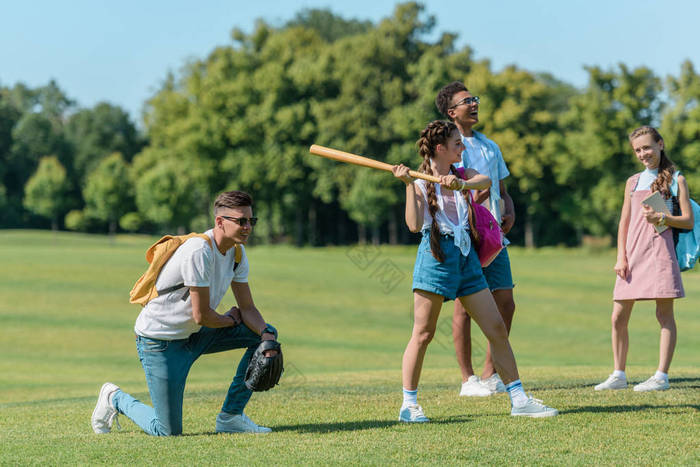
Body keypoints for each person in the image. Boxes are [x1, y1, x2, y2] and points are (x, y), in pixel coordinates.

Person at [392, 119, 557, 422]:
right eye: (457, 144)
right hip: (435, 257)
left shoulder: (461, 173)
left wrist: (462, 185)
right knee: (424, 333)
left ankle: (518, 399)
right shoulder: (419, 183)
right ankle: (409, 405)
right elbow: (414, 225)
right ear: (440, 149)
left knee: (495, 327)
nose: (462, 147)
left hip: (467, 259)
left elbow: (486, 182)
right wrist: (407, 186)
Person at [91, 190, 279, 435]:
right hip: (160, 342)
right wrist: (230, 319)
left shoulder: (237, 254)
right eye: (241, 221)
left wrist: (266, 336)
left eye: (251, 221)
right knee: (166, 431)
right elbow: (201, 315)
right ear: (220, 222)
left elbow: (248, 309)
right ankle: (114, 398)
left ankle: (231, 417)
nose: (247, 227)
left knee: (263, 335)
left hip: (197, 333)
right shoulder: (199, 251)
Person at [595, 126, 693, 392]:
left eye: (647, 147)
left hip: (661, 253)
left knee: (664, 314)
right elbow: (624, 222)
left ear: (660, 144)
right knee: (618, 316)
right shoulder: (632, 181)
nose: (642, 154)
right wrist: (620, 257)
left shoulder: (677, 179)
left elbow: (688, 221)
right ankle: (618, 374)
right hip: (633, 254)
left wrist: (663, 218)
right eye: (637, 150)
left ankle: (661, 376)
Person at [435, 81, 515, 397]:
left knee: (506, 302)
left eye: (475, 99)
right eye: (467, 100)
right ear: (451, 111)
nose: (474, 104)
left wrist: (509, 211)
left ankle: (490, 374)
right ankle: (468, 379)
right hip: (464, 234)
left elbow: (502, 191)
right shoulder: (445, 148)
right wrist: (470, 194)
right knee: (463, 307)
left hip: (494, 237)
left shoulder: (490, 147)